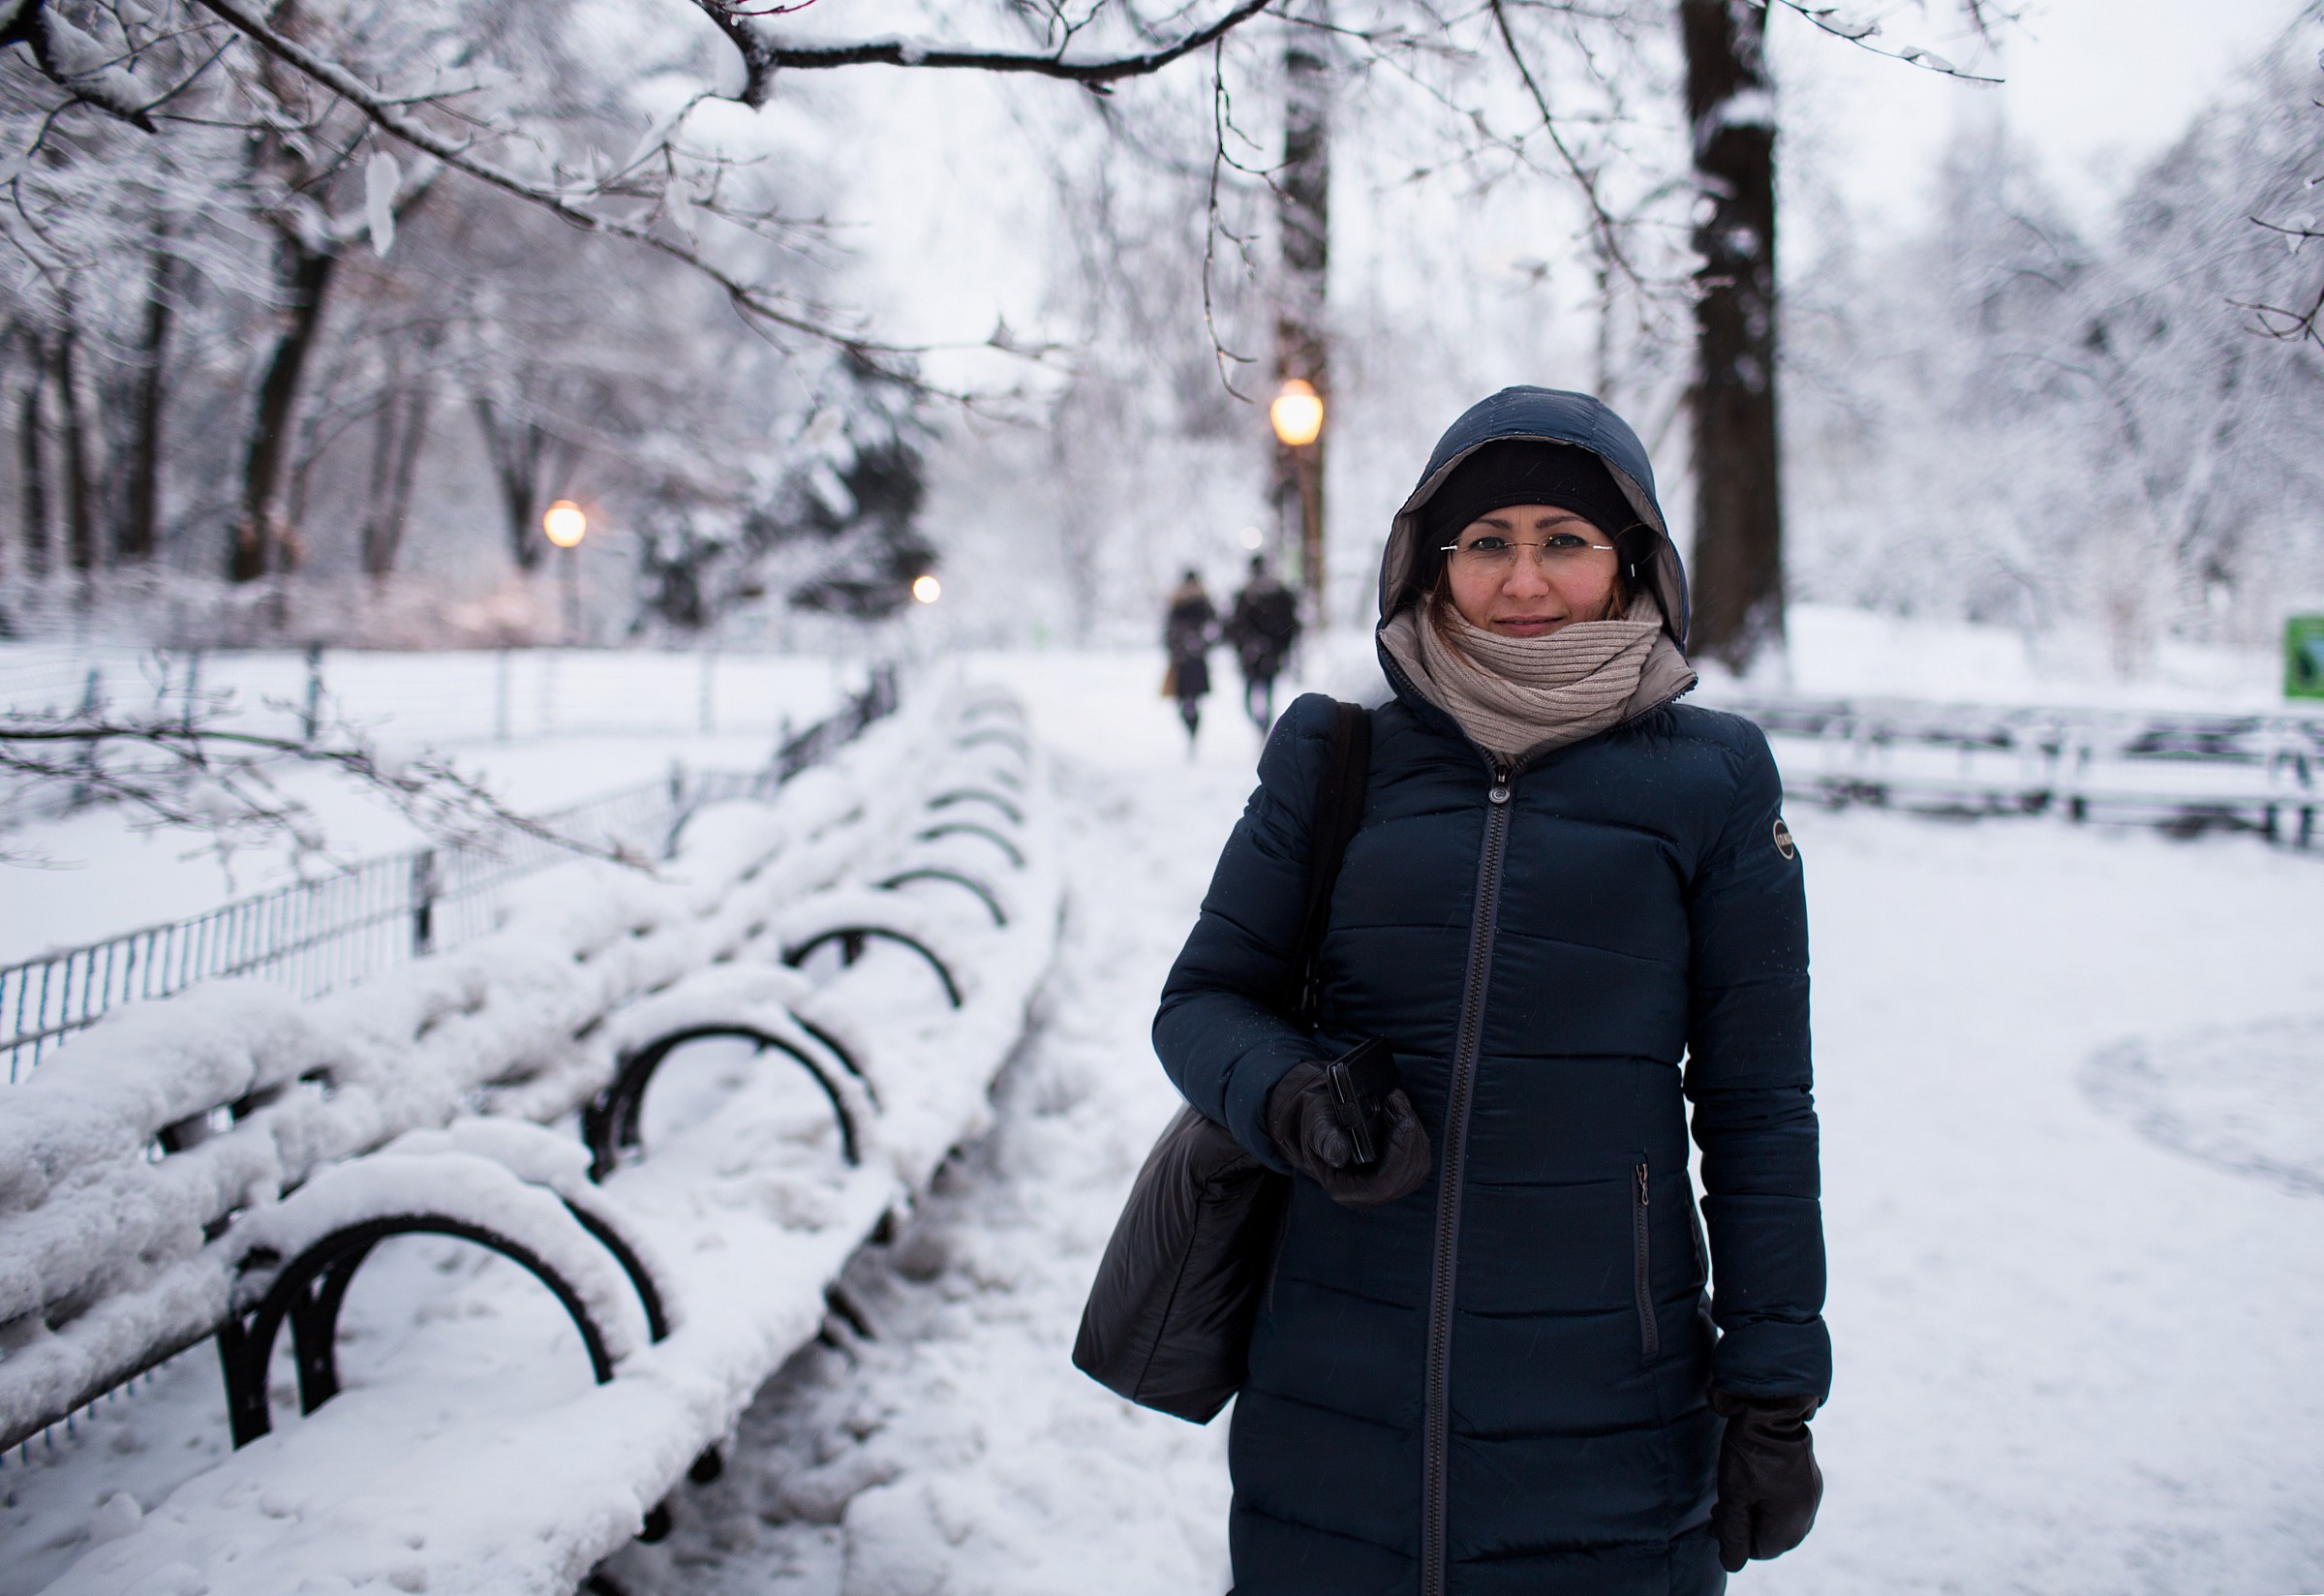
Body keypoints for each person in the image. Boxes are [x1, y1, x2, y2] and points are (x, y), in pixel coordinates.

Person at [1154, 386, 1829, 1595]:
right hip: (1335, 1377)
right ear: (1432, 558)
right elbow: (1203, 1002)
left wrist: (1775, 1395)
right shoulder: (1337, 750)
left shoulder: (1714, 781)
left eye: (1564, 542)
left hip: (1610, 1395)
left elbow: (1760, 1105)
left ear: (1630, 566)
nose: (1523, 583)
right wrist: (1293, 1093)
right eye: (1488, 544)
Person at [1223, 555, 1303, 732]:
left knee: (1257, 696)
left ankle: (1264, 727)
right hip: (1258, 654)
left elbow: (1289, 626)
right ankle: (1264, 727)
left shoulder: (1253, 595)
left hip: (1261, 655)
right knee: (1259, 695)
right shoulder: (1253, 595)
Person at [1163, 568, 1218, 749]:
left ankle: (1193, 734)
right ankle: (1191, 732)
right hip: (1182, 660)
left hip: (1194, 661)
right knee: (1184, 704)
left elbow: (1213, 631)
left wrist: (1199, 644)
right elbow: (1168, 632)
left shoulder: (1204, 604)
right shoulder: (1178, 604)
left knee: (1191, 702)